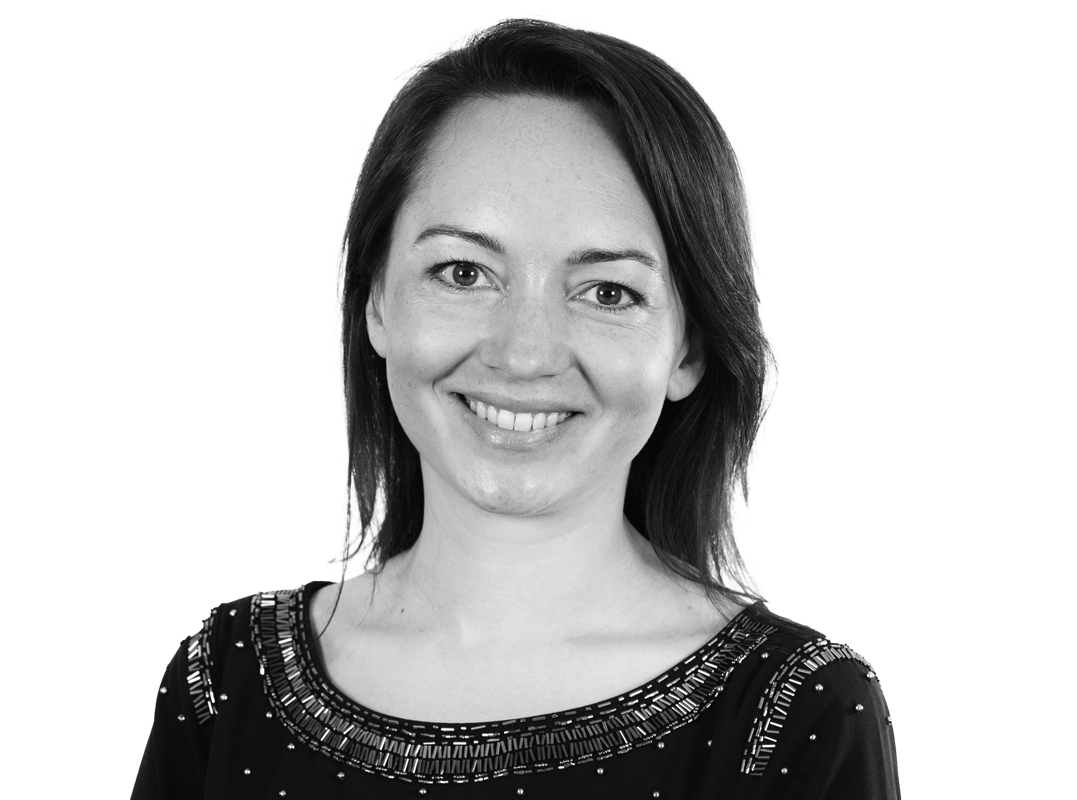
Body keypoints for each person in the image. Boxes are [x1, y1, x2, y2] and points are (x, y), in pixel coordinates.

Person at [132, 14, 900, 799]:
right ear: (376, 303)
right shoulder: (223, 684)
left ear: (688, 350)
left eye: (608, 292)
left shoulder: (799, 713)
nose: (525, 354)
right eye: (463, 273)